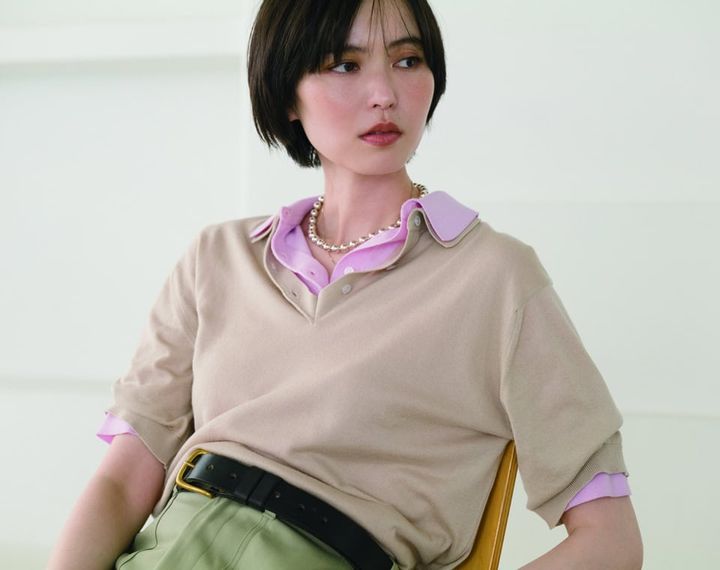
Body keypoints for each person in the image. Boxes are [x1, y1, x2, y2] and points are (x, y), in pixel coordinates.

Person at [48, 0, 643, 569]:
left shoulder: (497, 278)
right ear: (287, 94)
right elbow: (123, 481)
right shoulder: (217, 258)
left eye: (407, 60)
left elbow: (610, 543)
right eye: (344, 65)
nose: (384, 94)